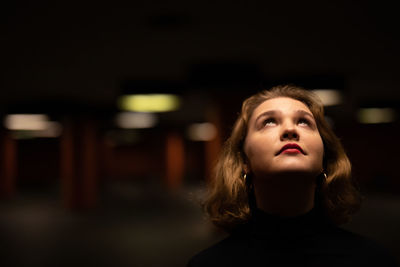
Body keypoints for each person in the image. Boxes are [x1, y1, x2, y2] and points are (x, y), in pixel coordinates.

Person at [187, 85, 398, 267]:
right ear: (244, 161)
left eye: (304, 122)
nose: (290, 129)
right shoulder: (207, 265)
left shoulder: (373, 260)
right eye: (269, 122)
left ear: (325, 158)